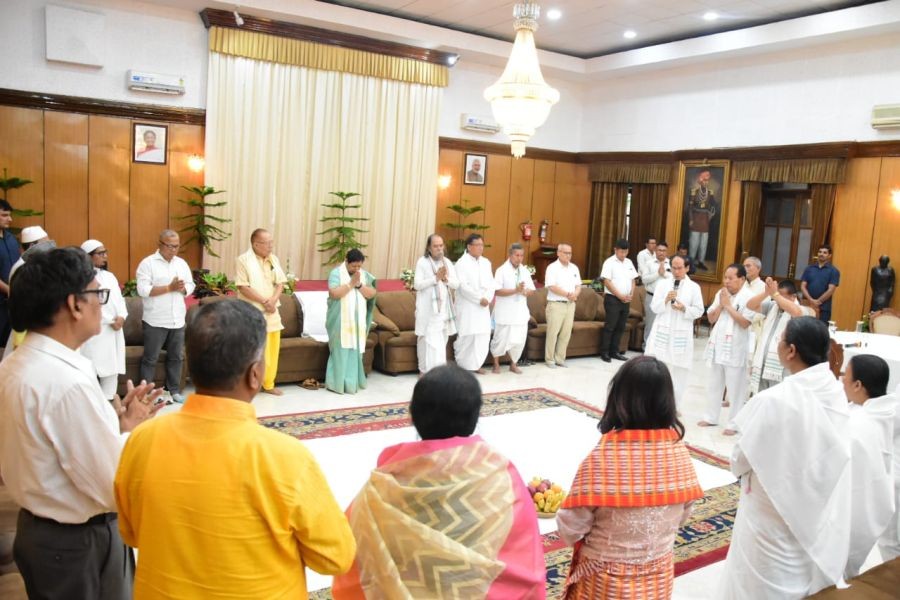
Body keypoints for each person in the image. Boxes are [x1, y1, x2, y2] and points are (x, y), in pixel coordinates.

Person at [115, 299, 356, 597]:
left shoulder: (142, 440)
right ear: (255, 374)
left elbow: (131, 533)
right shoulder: (284, 458)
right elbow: (336, 556)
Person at [0, 247, 162, 599]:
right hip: (76, 543)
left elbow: (56, 448)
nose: (101, 305)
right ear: (74, 304)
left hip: (41, 530)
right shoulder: (64, 382)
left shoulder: (16, 363)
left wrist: (115, 425)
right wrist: (133, 430)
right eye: (97, 293)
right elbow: (109, 483)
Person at [332, 365, 545, 599]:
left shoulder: (380, 489)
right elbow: (523, 560)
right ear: (476, 418)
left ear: (411, 415)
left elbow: (349, 550)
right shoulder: (500, 478)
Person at [719, 317, 851, 599]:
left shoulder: (774, 400)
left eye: (779, 340)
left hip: (770, 505)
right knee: (798, 562)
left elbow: (741, 458)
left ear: (790, 351)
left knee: (757, 577)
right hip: (814, 502)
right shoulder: (835, 392)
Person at [557, 356, 703, 599]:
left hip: (604, 584)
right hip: (657, 580)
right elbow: (684, 514)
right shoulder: (679, 453)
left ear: (619, 398)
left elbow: (570, 528)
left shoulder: (603, 459)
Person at [842, 355, 898, 566]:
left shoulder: (861, 423)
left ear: (858, 385)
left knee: (888, 543)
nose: (841, 381)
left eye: (844, 376)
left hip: (873, 495)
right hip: (882, 492)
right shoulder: (884, 407)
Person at [136, 229, 194, 403]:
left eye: (177, 246)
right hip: (155, 320)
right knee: (150, 358)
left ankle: (174, 390)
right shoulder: (148, 263)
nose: (174, 250)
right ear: (160, 244)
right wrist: (169, 288)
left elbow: (191, 284)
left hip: (177, 319)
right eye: (170, 246)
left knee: (176, 357)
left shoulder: (181, 263)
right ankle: (146, 393)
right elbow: (143, 290)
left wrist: (183, 288)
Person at [698, 264, 755, 435]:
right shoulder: (721, 293)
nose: (727, 281)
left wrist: (728, 306)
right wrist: (722, 305)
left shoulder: (748, 297)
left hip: (736, 347)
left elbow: (745, 323)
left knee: (735, 388)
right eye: (725, 277)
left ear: (742, 279)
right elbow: (711, 318)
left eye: (731, 278)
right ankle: (711, 417)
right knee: (714, 383)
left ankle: (734, 424)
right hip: (718, 344)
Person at [645, 256, 705, 411]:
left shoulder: (694, 288)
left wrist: (684, 308)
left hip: (681, 333)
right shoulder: (663, 284)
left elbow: (699, 311)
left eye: (679, 268)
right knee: (656, 368)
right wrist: (665, 300)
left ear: (687, 268)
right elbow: (654, 307)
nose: (676, 272)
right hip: (663, 330)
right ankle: (653, 403)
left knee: (680, 371)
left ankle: (673, 407)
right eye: (673, 268)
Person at [235, 228, 288, 396]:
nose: (271, 246)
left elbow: (280, 283)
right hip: (252, 311)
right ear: (255, 244)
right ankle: (249, 384)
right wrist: (264, 301)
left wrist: (272, 301)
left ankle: (269, 383)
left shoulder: (274, 259)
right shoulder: (243, 260)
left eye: (272, 242)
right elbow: (242, 286)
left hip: (272, 311)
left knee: (272, 349)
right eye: (267, 243)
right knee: (253, 350)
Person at [746, 278, 814, 395]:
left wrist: (775, 294)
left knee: (779, 400)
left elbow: (796, 313)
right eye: (776, 295)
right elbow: (750, 305)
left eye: (781, 295)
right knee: (763, 400)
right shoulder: (773, 306)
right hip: (763, 363)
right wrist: (767, 293)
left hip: (783, 368)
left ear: (793, 297)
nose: (777, 299)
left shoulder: (802, 310)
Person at [79, 240, 128, 401]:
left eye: (105, 252)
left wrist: (121, 317)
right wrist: (110, 320)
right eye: (100, 253)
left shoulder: (109, 276)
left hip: (114, 332)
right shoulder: (80, 279)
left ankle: (109, 406)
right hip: (95, 332)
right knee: (90, 372)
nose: (105, 256)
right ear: (88, 257)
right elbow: (87, 304)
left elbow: (120, 301)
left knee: (111, 374)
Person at [326, 248, 376, 394]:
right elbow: (334, 294)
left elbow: (372, 293)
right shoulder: (336, 273)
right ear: (346, 261)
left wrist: (359, 284)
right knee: (340, 350)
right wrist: (350, 284)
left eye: (359, 266)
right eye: (354, 266)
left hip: (357, 322)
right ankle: (336, 384)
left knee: (355, 351)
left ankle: (352, 384)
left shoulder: (364, 275)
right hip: (339, 321)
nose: (356, 269)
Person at [414, 234, 459, 374]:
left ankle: (438, 372)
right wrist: (435, 278)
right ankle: (423, 371)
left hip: (443, 310)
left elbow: (456, 284)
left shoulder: (447, 262)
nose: (439, 249)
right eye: (436, 246)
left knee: (441, 340)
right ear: (429, 247)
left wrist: (445, 279)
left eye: (441, 245)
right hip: (427, 310)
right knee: (425, 340)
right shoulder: (422, 262)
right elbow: (417, 285)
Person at [491, 243, 535, 374]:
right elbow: (497, 291)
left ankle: (513, 364)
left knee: (519, 340)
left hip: (520, 312)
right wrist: (515, 290)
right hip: (505, 312)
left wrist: (525, 292)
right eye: (517, 255)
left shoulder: (525, 270)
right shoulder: (501, 270)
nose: (519, 258)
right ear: (510, 255)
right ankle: (496, 364)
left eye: (522, 255)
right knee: (499, 339)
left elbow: (532, 289)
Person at [454, 234, 494, 373]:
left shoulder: (486, 262)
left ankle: (476, 365)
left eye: (482, 245)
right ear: (469, 247)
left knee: (482, 336)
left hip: (483, 306)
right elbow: (463, 287)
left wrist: (487, 298)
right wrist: (479, 299)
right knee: (467, 335)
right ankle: (463, 366)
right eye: (477, 245)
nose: (480, 248)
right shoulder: (461, 263)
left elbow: (491, 284)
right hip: (468, 306)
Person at [544, 242, 582, 368]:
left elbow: (578, 285)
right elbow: (551, 286)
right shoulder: (552, 267)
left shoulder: (574, 268)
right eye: (566, 253)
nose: (568, 255)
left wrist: (574, 294)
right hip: (556, 304)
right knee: (553, 332)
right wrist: (567, 294)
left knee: (566, 333)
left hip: (570, 304)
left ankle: (560, 359)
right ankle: (550, 360)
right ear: (558, 253)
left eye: (570, 253)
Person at [599, 238, 636, 363]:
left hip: (626, 300)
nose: (623, 255)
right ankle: (605, 352)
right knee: (610, 326)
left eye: (625, 252)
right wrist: (620, 295)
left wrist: (631, 294)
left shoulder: (629, 262)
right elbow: (607, 282)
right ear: (615, 250)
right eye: (621, 252)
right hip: (612, 299)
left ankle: (615, 352)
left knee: (621, 326)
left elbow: (633, 280)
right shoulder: (609, 262)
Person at [640, 239, 671, 349]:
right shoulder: (649, 264)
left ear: (667, 252)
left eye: (664, 250)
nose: (661, 252)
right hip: (651, 297)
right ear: (655, 251)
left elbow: (674, 279)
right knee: (650, 324)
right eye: (659, 250)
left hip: (666, 299)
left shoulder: (671, 264)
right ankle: (646, 348)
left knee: (664, 325)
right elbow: (644, 280)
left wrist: (665, 274)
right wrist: (658, 274)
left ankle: (660, 349)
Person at [687, 169, 717, 271]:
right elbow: (690, 208)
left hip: (705, 219)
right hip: (695, 218)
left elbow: (714, 205)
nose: (706, 182)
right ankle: (691, 262)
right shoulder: (694, 192)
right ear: (700, 181)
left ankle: (701, 262)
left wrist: (711, 214)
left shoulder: (710, 193)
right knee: (694, 243)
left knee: (703, 243)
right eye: (704, 180)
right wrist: (691, 219)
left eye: (707, 180)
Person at [801, 244, 840, 323]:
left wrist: (817, 302)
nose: (821, 254)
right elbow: (803, 286)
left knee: (821, 330)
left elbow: (831, 290)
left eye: (825, 253)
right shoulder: (809, 268)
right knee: (805, 328)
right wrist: (811, 300)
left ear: (829, 255)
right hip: (807, 304)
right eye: (820, 252)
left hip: (824, 307)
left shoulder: (834, 271)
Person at [0, 200, 20, 344]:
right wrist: (10, 290)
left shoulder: (11, 239)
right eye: (5, 215)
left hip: (12, 303)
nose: (10, 219)